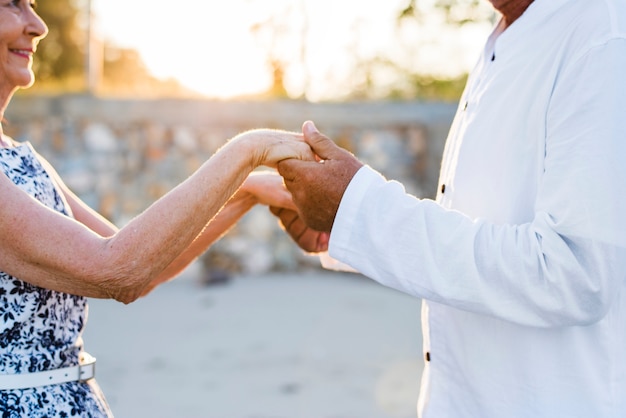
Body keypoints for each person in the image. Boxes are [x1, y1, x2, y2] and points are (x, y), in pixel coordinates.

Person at [273, 0, 626, 416]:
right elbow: (480, 223)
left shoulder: (601, 35)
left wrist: (359, 209)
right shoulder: (507, 34)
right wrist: (344, 227)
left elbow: (574, 272)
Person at [0, 2, 314, 417]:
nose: (37, 26)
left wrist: (247, 189)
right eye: (12, 3)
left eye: (34, 6)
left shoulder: (19, 156)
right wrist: (247, 150)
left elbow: (142, 262)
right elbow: (117, 270)